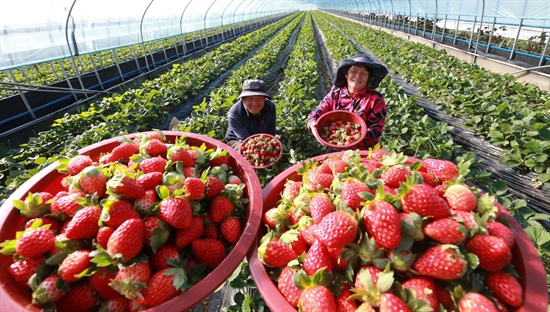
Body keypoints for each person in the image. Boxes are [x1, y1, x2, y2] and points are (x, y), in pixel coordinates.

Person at [307, 54, 389, 149]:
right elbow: (313, 116)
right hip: (337, 146)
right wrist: (313, 124)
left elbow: (376, 129)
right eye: (353, 72)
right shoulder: (335, 94)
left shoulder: (375, 99)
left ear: (368, 77)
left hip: (364, 150)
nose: (358, 76)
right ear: (346, 74)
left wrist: (353, 136)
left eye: (363, 74)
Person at [225, 79, 276, 151]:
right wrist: (261, 149)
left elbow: (271, 132)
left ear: (264, 99)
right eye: (250, 99)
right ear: (243, 100)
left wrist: (269, 144)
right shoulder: (234, 113)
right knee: (246, 152)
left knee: (275, 148)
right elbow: (246, 141)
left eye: (259, 99)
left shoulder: (270, 106)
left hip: (261, 137)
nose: (254, 104)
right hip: (238, 140)